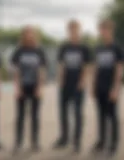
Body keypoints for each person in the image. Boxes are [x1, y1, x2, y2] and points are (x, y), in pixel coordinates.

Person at [54, 20, 91, 152]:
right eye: (70, 30)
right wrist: (60, 79)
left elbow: (87, 66)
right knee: (63, 112)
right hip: (65, 85)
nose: (73, 32)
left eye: (75, 29)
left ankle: (77, 142)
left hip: (78, 85)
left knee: (77, 113)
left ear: (79, 30)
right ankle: (64, 138)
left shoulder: (84, 48)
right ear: (68, 31)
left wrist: (82, 81)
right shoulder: (64, 47)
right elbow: (61, 65)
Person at [11, 25, 47, 153]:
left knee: (35, 116)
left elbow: (42, 70)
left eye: (31, 33)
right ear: (23, 35)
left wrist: (40, 87)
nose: (29, 35)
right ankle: (18, 143)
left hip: (35, 87)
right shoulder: (19, 51)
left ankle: (34, 142)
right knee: (20, 116)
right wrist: (17, 88)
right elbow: (16, 70)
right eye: (26, 33)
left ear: (34, 35)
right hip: (22, 87)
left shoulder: (39, 51)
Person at [92, 19, 123, 154]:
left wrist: (116, 89)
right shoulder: (98, 48)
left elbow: (119, 69)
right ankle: (102, 141)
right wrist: (93, 86)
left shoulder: (117, 48)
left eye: (106, 29)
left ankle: (113, 144)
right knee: (101, 115)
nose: (104, 32)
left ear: (111, 31)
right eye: (102, 29)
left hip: (111, 88)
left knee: (112, 115)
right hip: (100, 86)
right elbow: (96, 68)